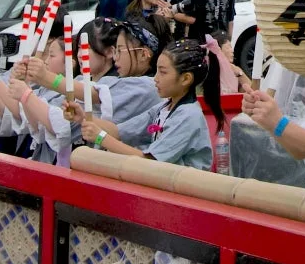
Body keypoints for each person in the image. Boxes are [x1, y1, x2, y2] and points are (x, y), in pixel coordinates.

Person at [67, 40, 220, 169]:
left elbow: (150, 162)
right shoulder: (164, 108)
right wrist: (82, 118)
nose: (156, 79)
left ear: (186, 79)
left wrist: (101, 138)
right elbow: (119, 131)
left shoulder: (188, 117)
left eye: (163, 72)